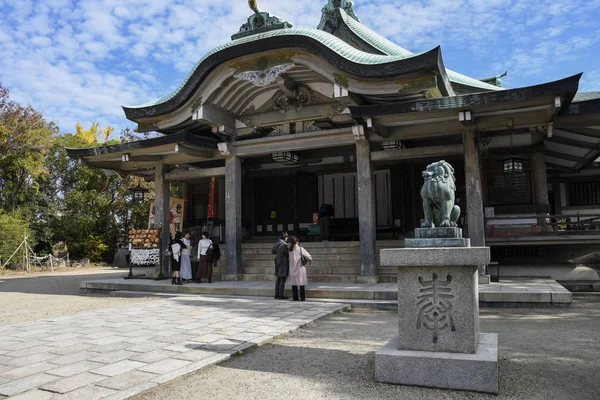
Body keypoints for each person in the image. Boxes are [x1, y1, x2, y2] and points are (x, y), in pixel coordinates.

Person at [288, 236, 311, 301]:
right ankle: (302, 297)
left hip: (292, 267)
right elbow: (307, 255)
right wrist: (310, 259)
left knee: (294, 284)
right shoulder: (300, 248)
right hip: (300, 268)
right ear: (297, 241)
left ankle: (295, 297)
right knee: (301, 283)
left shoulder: (290, 249)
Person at [271, 232, 289, 299]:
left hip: (277, 262)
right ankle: (280, 295)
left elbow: (273, 251)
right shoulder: (284, 245)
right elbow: (287, 253)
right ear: (285, 238)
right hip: (283, 263)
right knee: (282, 280)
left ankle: (276, 294)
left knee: (278, 279)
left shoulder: (277, 243)